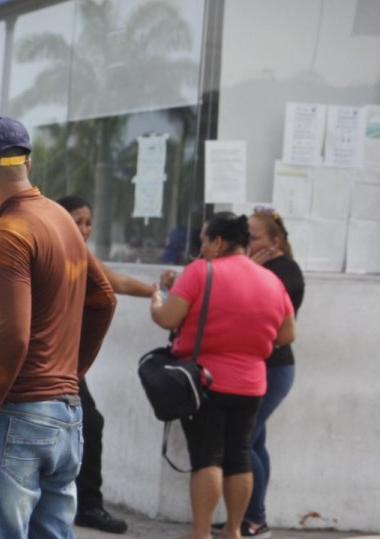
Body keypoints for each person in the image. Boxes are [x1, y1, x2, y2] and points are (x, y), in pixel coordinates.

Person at [0, 114, 117, 539]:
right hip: (64, 414)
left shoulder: (9, 232)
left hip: (14, 417)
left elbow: (10, 336)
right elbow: (104, 300)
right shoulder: (59, 219)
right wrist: (70, 375)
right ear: (28, 165)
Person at [150, 212, 295, 539]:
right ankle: (233, 531)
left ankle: (201, 533)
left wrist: (156, 302)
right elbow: (287, 334)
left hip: (206, 381)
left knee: (207, 457)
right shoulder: (270, 279)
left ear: (217, 242)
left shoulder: (201, 271)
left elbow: (168, 317)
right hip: (252, 384)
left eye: (203, 240)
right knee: (239, 455)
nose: (201, 246)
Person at [56, 195, 155, 535]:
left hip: (67, 364)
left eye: (87, 223)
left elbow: (119, 283)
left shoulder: (82, 257)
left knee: (89, 423)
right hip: (41, 361)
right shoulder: (45, 249)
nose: (83, 229)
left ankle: (87, 505)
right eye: (77, 221)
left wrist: (157, 292)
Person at [240, 207, 304, 539]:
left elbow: (260, 305)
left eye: (253, 237)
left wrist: (249, 270)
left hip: (275, 369)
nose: (247, 243)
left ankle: (255, 519)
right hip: (255, 367)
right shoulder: (263, 268)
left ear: (274, 241)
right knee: (256, 441)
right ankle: (252, 517)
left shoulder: (285, 272)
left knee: (245, 440)